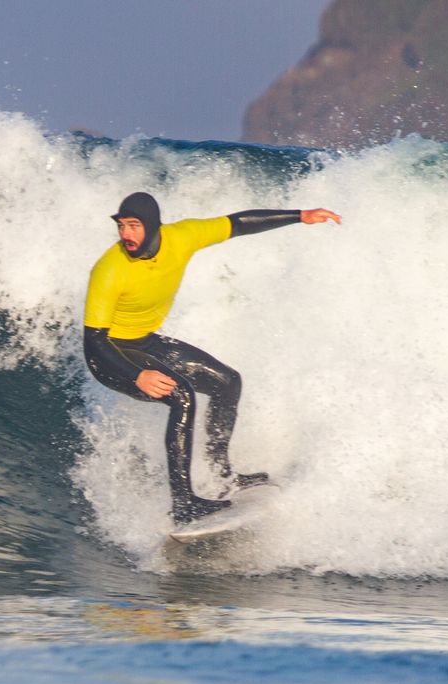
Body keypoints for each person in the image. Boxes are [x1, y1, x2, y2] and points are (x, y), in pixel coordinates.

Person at [83, 192, 341, 525]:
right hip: (110, 356)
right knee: (182, 396)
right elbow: (94, 344)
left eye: (134, 226)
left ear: (152, 226)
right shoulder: (109, 269)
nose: (126, 235)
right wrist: (137, 377)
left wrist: (300, 215)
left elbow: (238, 223)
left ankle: (223, 476)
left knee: (227, 382)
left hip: (144, 342)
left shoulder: (182, 237)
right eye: (121, 226)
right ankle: (183, 504)